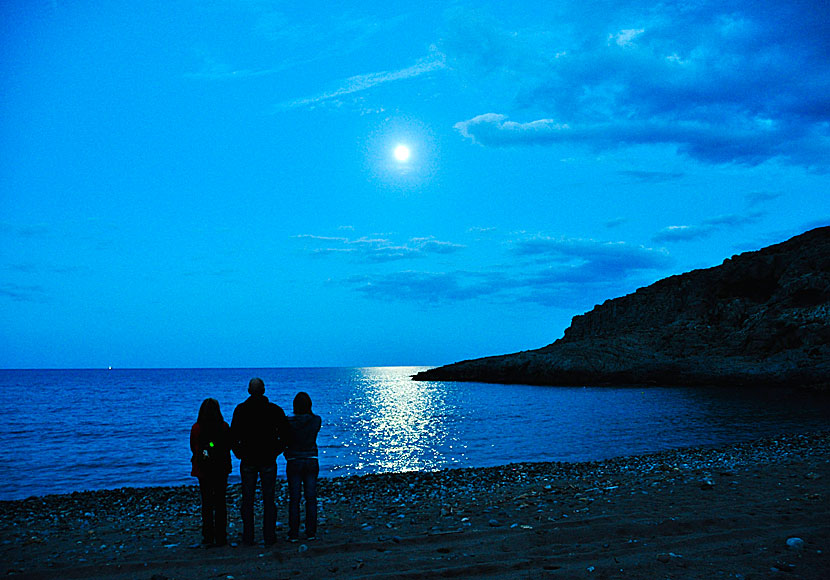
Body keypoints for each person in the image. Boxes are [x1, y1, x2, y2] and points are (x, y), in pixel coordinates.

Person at [230, 377, 290, 546]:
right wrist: (276, 450)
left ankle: (248, 536)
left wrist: (239, 453)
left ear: (249, 391)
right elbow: (286, 434)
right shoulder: (274, 410)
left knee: (248, 499)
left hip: (249, 459)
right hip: (267, 458)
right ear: (264, 390)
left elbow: (233, 435)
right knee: (269, 498)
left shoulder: (241, 410)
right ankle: (269, 536)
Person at [190, 398, 232, 547]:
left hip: (203, 470)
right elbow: (228, 446)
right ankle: (221, 536)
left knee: (207, 503)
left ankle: (208, 536)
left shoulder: (197, 428)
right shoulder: (224, 426)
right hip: (220, 468)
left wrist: (208, 447)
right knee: (220, 503)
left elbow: (193, 447)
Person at [285, 391, 322, 541]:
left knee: (294, 498)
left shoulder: (289, 422)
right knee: (310, 497)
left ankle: (294, 532)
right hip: (311, 458)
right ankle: (310, 532)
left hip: (294, 459)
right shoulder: (316, 420)